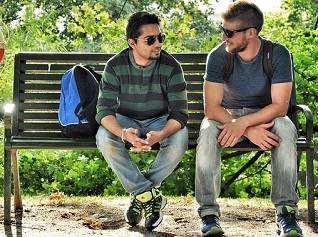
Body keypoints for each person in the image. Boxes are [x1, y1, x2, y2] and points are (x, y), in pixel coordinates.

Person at [195, 1, 303, 237]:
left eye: (230, 32)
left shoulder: (277, 54)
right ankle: (209, 214)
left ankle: (286, 212)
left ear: (251, 33)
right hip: (226, 115)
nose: (224, 37)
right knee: (207, 130)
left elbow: (280, 106)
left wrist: (245, 124)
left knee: (285, 128)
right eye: (222, 30)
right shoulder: (218, 56)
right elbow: (212, 109)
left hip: (265, 115)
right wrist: (244, 128)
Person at [95, 11, 188, 231]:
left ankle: (141, 196)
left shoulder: (171, 66)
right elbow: (104, 112)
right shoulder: (115, 65)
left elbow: (180, 115)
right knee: (104, 136)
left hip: (159, 120)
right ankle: (148, 194)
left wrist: (162, 134)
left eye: (160, 38)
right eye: (150, 40)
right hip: (126, 120)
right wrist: (124, 133)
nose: (158, 44)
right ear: (132, 43)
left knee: (180, 137)